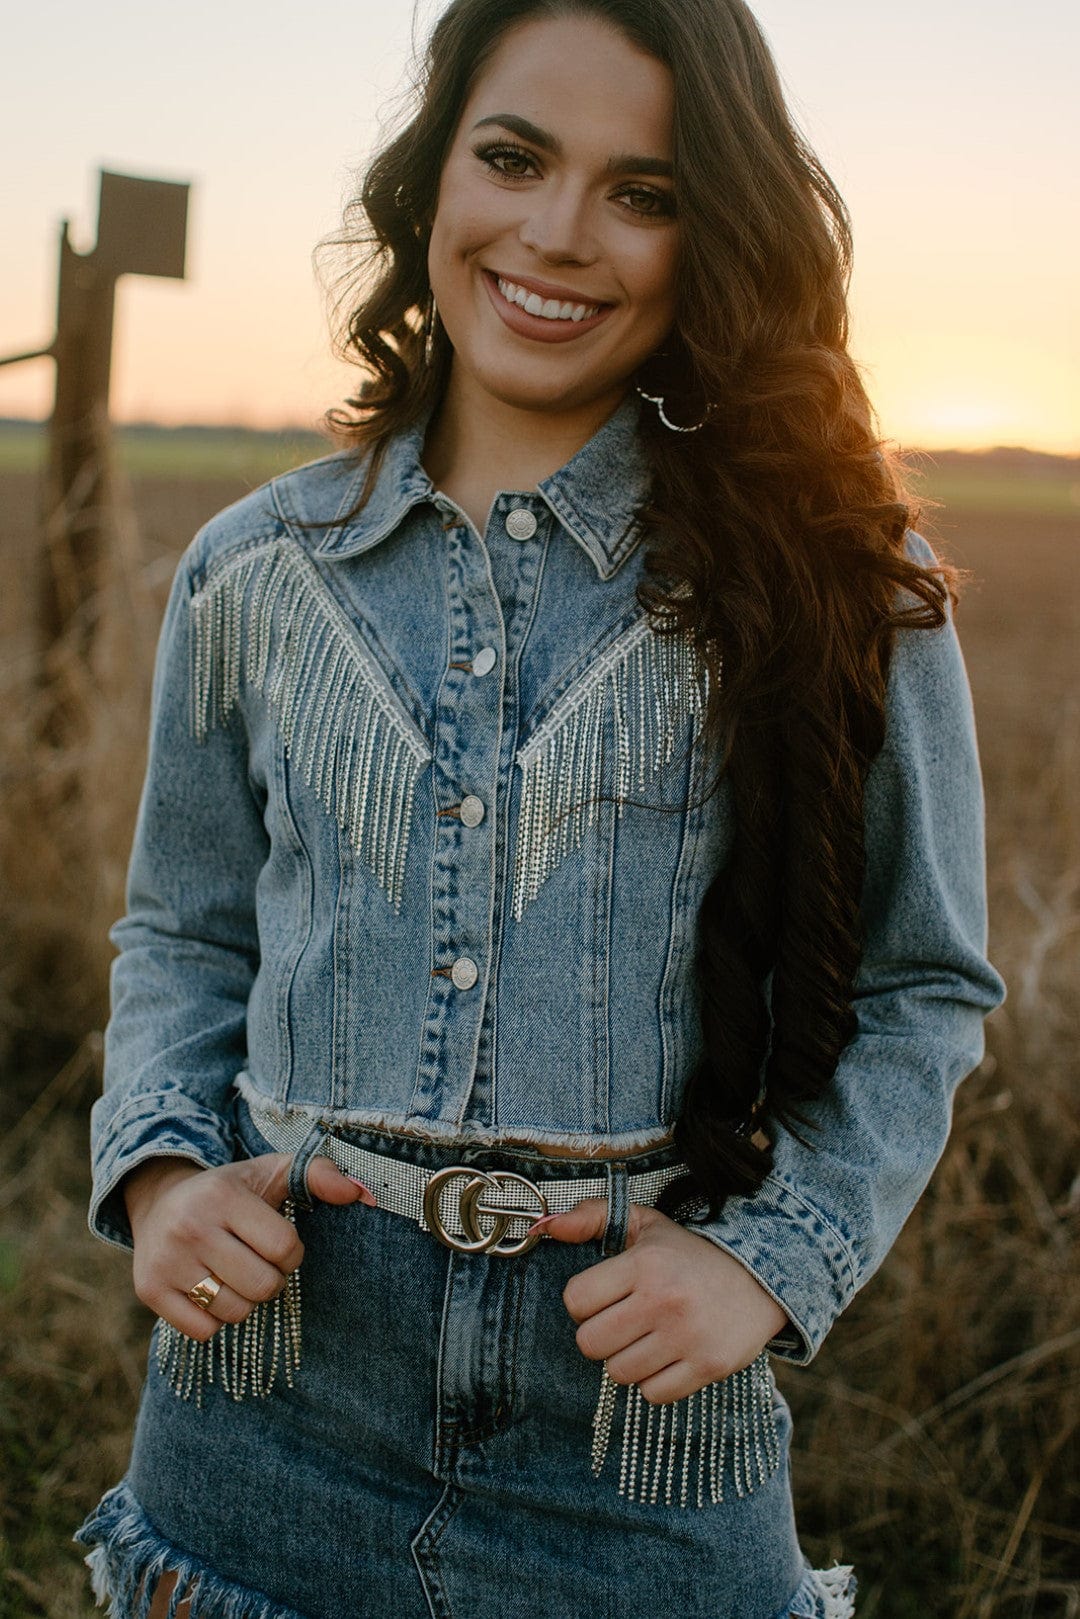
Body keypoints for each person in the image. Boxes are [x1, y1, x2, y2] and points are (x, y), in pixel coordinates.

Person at [73, 1, 1006, 1615]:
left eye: (643, 191)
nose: (558, 235)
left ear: (712, 234)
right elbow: (184, 929)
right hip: (264, 1410)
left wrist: (770, 1259)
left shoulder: (840, 585)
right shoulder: (251, 573)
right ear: (432, 175)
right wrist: (161, 1173)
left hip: (641, 1442)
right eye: (513, 157)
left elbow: (925, 987)